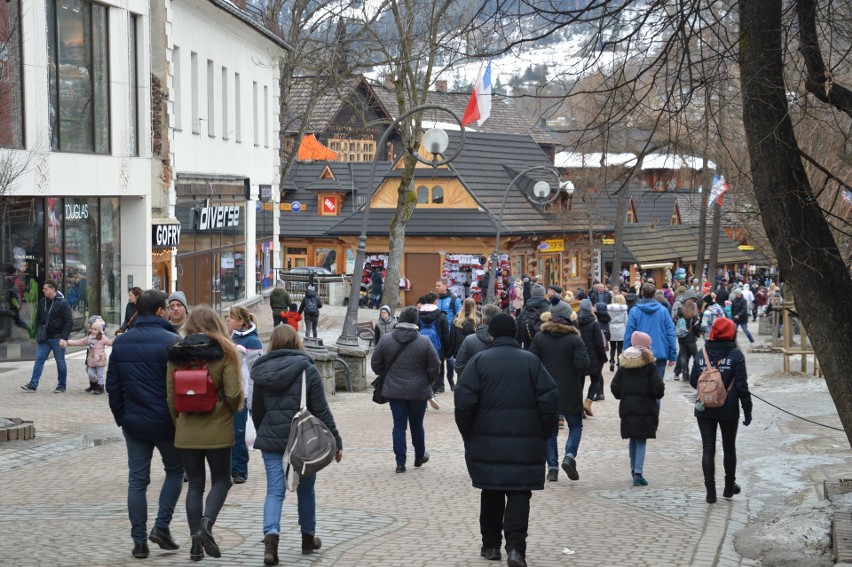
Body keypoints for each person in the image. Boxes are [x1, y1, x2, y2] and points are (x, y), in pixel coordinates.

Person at [454, 313, 558, 567]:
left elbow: (464, 402)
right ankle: (515, 549)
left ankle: (491, 546)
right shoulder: (531, 362)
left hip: (486, 440)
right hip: (526, 441)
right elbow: (550, 399)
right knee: (519, 494)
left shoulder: (479, 362)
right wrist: (543, 432)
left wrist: (469, 433)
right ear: (514, 333)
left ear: (491, 333)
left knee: (491, 491)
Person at [251, 324, 343, 565]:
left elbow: (257, 410)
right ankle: (307, 537)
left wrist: (266, 431)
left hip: (272, 439)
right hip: (303, 440)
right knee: (306, 488)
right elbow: (321, 409)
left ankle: (271, 541)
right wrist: (336, 440)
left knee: (274, 490)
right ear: (296, 343)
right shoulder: (307, 370)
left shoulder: (260, 372)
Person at [106, 289, 183, 559]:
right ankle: (161, 526)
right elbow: (181, 385)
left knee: (137, 482)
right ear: (161, 311)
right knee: (175, 471)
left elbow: (112, 386)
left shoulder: (122, 342)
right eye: (167, 307)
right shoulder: (172, 340)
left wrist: (121, 417)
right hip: (166, 422)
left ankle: (139, 541)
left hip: (134, 423)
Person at [166, 306, 244, 562]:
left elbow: (170, 397)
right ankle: (206, 526)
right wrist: (230, 411)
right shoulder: (225, 352)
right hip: (218, 426)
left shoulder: (176, 353)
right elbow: (233, 394)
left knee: (195, 484)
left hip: (186, 427)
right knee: (222, 479)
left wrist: (179, 423)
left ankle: (195, 546)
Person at [690, 318, 753, 503]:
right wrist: (747, 410)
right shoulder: (735, 355)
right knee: (729, 447)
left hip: (704, 408)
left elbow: (694, 381)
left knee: (708, 449)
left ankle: (710, 492)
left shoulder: (702, 354)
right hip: (729, 409)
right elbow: (742, 386)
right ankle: (728, 487)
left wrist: (709, 381)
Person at [371, 306, 440, 473]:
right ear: (416, 321)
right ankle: (419, 455)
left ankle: (400, 462)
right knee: (417, 425)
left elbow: (375, 364)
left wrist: (387, 374)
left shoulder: (386, 340)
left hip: (394, 390)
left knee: (399, 425)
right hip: (419, 390)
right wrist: (427, 381)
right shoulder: (424, 341)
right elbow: (435, 366)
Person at [529, 302, 589, 482]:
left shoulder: (540, 337)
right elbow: (583, 365)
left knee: (550, 431)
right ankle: (569, 456)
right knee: (575, 426)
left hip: (547, 391)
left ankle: (552, 468)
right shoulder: (575, 339)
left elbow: (532, 362)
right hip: (570, 389)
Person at [610, 331, 665, 487]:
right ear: (646, 346)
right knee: (641, 439)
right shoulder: (650, 365)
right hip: (645, 408)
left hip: (627, 408)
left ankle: (634, 469)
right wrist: (658, 392)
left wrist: (623, 395)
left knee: (633, 438)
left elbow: (615, 386)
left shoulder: (624, 363)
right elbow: (657, 388)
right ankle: (638, 474)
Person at [227, 307, 263, 485]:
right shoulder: (232, 338)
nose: (227, 320)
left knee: (238, 434)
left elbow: (255, 371)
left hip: (243, 395)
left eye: (231, 318)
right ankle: (230, 467)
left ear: (241, 321)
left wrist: (251, 399)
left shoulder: (252, 341)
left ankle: (239, 470)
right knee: (229, 433)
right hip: (229, 393)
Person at [21, 280, 74, 393]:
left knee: (60, 362)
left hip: (57, 337)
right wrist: (37, 331)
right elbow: (38, 318)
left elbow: (69, 322)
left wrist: (64, 338)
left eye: (45, 289)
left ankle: (61, 385)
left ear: (53, 289)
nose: (43, 290)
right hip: (44, 338)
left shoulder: (63, 303)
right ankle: (33, 384)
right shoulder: (42, 301)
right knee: (39, 360)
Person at [624, 283, 677, 381]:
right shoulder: (663, 310)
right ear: (654, 294)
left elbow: (629, 333)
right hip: (659, 352)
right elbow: (670, 333)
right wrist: (672, 355)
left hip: (639, 353)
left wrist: (626, 353)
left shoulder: (635, 310)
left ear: (642, 293)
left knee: (641, 386)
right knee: (657, 386)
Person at [65, 318, 113, 394]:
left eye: (95, 329)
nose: (93, 330)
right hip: (91, 359)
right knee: (90, 373)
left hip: (100, 359)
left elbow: (110, 342)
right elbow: (78, 341)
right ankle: (94, 385)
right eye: (92, 329)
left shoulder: (103, 338)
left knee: (99, 374)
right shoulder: (89, 338)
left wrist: (119, 339)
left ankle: (100, 388)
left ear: (99, 331)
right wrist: (67, 342)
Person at [577, 299, 608, 414]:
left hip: (580, 356)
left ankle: (579, 406)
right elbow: (599, 344)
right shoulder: (594, 323)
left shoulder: (576, 321)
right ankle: (588, 402)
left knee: (580, 382)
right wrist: (603, 357)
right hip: (594, 356)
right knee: (595, 380)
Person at [454, 303, 500, 376]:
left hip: (472, 383)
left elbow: (459, 366)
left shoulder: (469, 340)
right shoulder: (506, 341)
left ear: (482, 319)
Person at [418, 291, 450, 393]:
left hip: (421, 347)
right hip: (438, 348)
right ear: (436, 301)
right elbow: (446, 335)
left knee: (422, 368)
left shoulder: (418, 315)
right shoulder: (441, 315)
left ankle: (424, 388)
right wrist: (448, 351)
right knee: (438, 368)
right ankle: (436, 388)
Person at [435, 278, 462, 390]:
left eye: (439, 285)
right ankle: (440, 384)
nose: (436, 287)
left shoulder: (454, 299)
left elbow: (459, 316)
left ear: (445, 286)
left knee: (450, 360)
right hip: (437, 335)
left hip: (450, 335)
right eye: (436, 285)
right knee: (438, 360)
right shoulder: (434, 299)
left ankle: (451, 380)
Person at [673, 298, 701, 381]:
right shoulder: (693, 315)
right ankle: (698, 372)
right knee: (696, 356)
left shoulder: (680, 315)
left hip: (681, 338)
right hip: (691, 339)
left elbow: (675, 323)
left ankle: (685, 374)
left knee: (683, 356)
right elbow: (696, 328)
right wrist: (697, 334)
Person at [515, 283, 549, 349]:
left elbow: (519, 327)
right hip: (544, 346)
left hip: (528, 345)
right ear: (543, 294)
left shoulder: (525, 308)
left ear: (532, 294)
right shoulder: (548, 308)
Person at [608, 294, 628, 372]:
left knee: (612, 347)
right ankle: (619, 363)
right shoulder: (624, 309)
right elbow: (626, 321)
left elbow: (607, 319)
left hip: (612, 328)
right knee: (620, 348)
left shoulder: (609, 309)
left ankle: (612, 361)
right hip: (621, 328)